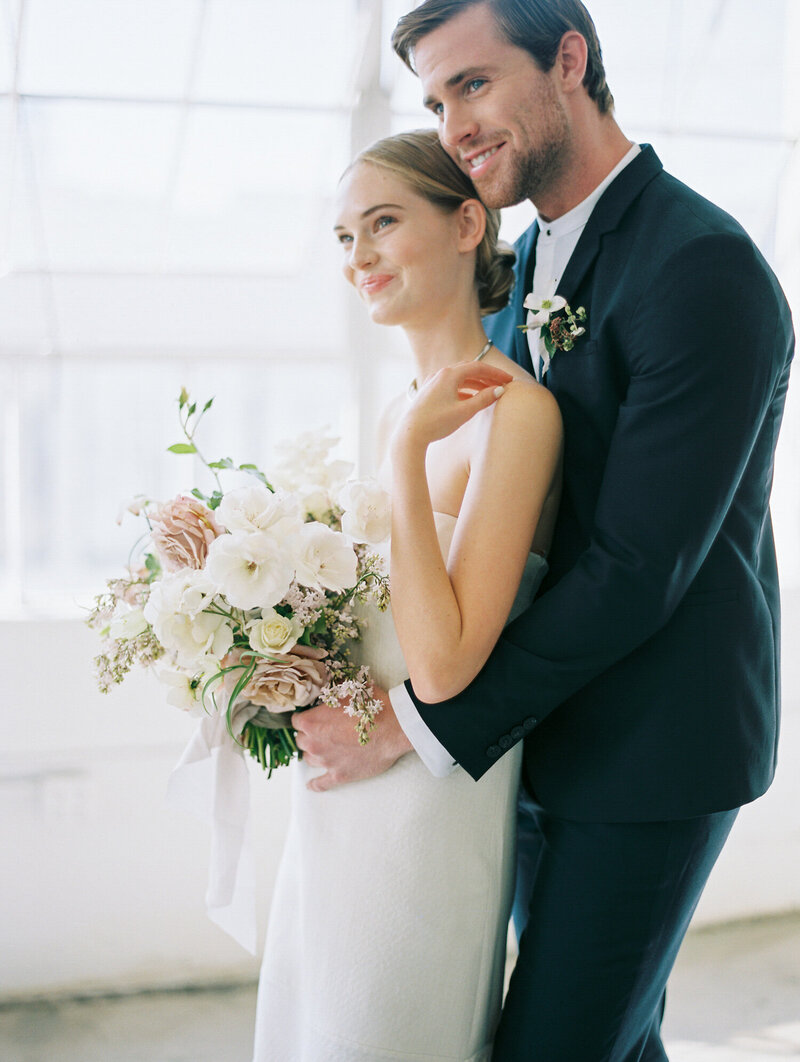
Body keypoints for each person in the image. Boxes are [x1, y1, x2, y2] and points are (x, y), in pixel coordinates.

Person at [295, 1, 796, 1060]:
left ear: (567, 60)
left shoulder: (700, 268)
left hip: (655, 747)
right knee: (613, 1040)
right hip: (539, 730)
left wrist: (416, 727)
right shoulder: (523, 261)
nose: (450, 125)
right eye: (433, 100)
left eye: (471, 84)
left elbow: (635, 568)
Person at [252, 129, 562, 1061]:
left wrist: (403, 456)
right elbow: (382, 639)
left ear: (468, 223)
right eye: (345, 237)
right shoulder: (404, 408)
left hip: (426, 823)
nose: (360, 258)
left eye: (383, 224)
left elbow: (443, 660)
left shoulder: (518, 413)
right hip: (345, 792)